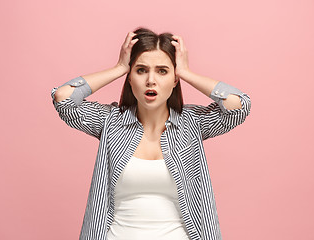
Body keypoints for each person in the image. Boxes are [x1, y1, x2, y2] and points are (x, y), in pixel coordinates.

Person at [51, 27, 251, 240]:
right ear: (130, 77)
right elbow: (64, 99)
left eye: (163, 71)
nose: (151, 80)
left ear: (174, 79)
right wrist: (119, 67)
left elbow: (238, 105)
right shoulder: (110, 122)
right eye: (141, 70)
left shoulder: (192, 123)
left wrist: (185, 73)